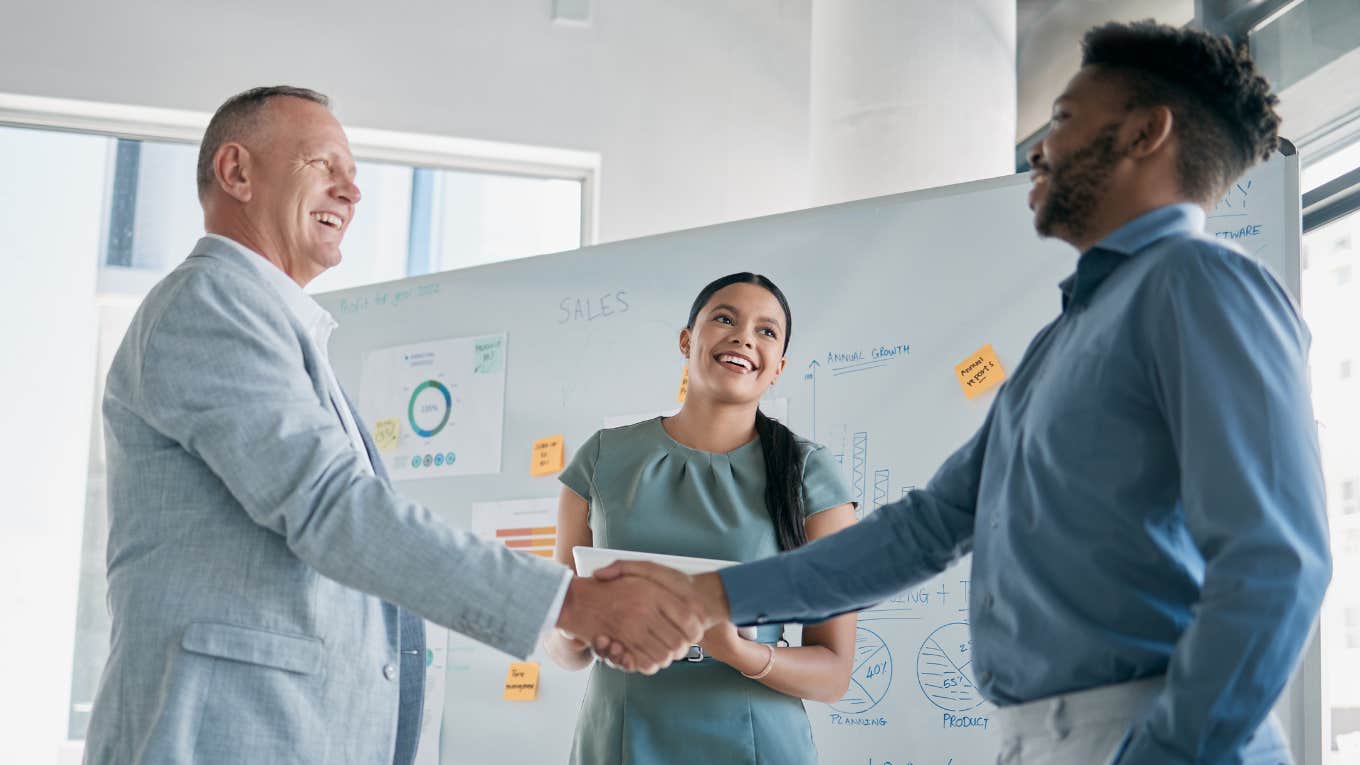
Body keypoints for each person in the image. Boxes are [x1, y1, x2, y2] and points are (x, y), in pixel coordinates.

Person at [601, 21, 1332, 765]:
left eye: (1064, 120)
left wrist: (1168, 751)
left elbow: (1278, 559)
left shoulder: (1203, 283)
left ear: (1146, 133)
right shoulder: (1065, 340)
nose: (1039, 148)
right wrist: (706, 597)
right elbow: (924, 530)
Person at [83, 86, 703, 765]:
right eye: (324, 164)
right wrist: (568, 602)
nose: (352, 193)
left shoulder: (279, 329)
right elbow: (334, 508)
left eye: (354, 177)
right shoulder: (209, 304)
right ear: (237, 172)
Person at [544, 273, 858, 764]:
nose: (744, 337)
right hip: (622, 740)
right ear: (687, 340)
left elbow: (834, 673)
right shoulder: (601, 458)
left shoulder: (810, 473)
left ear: (778, 367)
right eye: (725, 319)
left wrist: (738, 652)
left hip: (756, 744)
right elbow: (560, 641)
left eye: (767, 331)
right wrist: (578, 630)